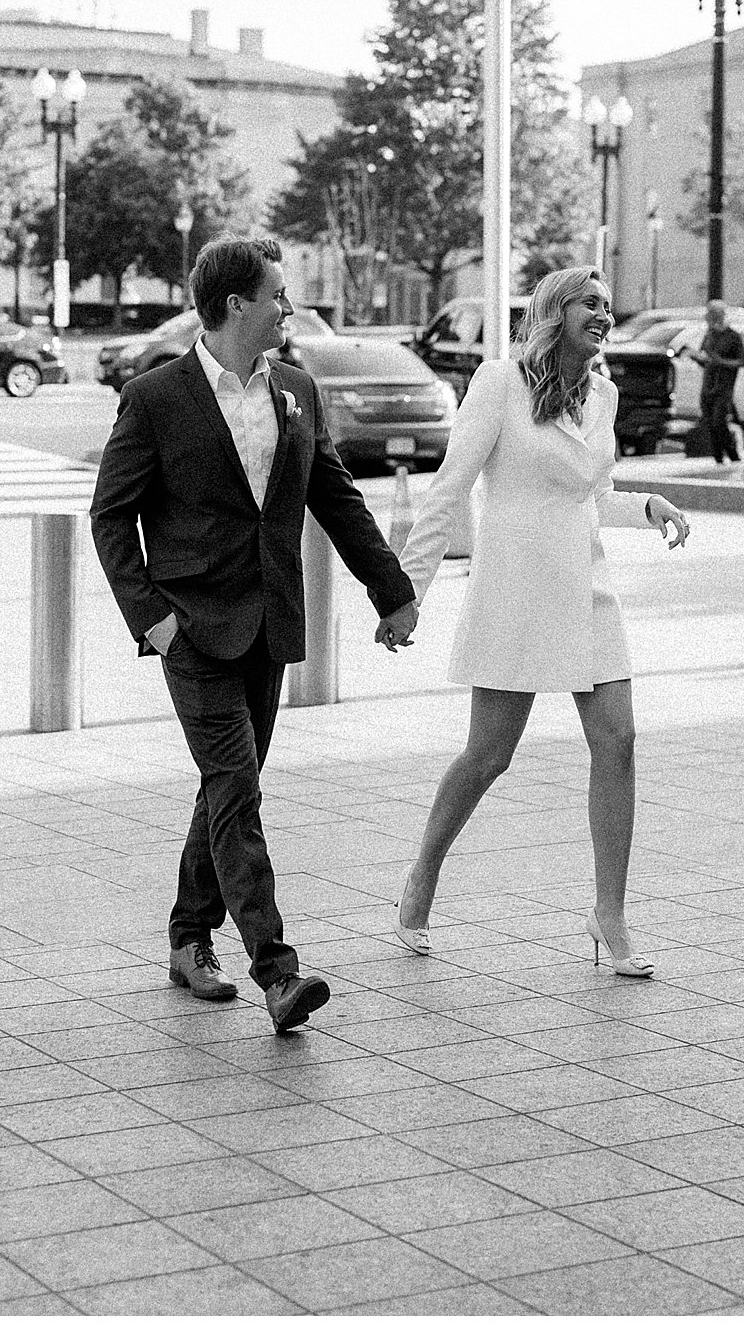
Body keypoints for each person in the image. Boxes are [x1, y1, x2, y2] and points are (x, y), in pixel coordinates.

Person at [90, 233, 421, 1034]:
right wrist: (154, 621)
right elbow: (110, 515)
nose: (289, 305)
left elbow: (334, 499)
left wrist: (392, 590)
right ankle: (277, 971)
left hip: (268, 625)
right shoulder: (156, 396)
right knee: (237, 787)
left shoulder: (297, 389)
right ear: (235, 304)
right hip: (193, 631)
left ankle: (185, 937)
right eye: (277, 292)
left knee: (224, 791)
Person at [394, 267, 690, 977]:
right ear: (554, 312)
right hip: (516, 595)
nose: (604, 316)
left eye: (606, 306)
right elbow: (447, 490)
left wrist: (642, 504)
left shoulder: (603, 392)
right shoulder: (499, 383)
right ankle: (421, 878)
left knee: (617, 740)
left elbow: (592, 493)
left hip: (587, 589)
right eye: (589, 303)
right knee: (487, 756)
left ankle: (608, 914)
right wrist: (406, 591)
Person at [697, 299, 744, 465]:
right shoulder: (709, 335)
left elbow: (742, 361)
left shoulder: (733, 336)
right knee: (709, 421)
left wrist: (721, 362)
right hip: (709, 383)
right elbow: (704, 356)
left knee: (720, 420)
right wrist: (698, 358)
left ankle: (732, 454)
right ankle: (717, 456)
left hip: (724, 385)